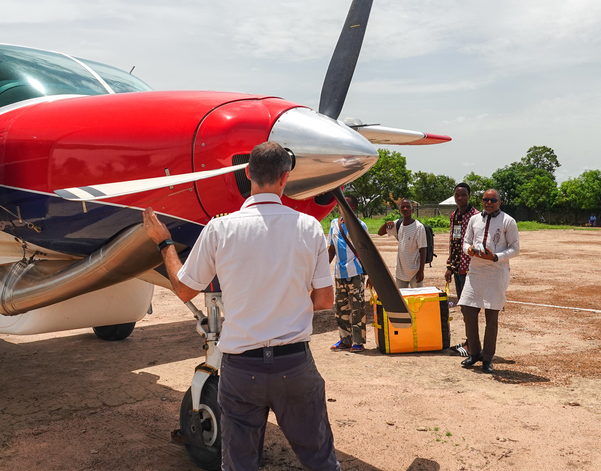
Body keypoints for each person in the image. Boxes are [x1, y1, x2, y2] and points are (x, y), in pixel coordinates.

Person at [142, 141, 340, 471]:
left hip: (241, 369)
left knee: (239, 463)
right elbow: (324, 300)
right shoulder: (310, 228)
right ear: (284, 178)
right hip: (295, 365)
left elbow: (183, 288)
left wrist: (163, 241)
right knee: (320, 459)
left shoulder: (220, 229)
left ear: (247, 173)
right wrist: (289, 306)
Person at [458, 188, 520, 374]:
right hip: (475, 271)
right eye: (486, 199)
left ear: (499, 202)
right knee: (468, 311)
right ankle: (474, 353)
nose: (489, 203)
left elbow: (515, 248)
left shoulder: (508, 221)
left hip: (496, 272)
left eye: (493, 200)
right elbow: (466, 241)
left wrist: (496, 257)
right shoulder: (474, 219)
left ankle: (487, 358)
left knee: (491, 318)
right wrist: (468, 250)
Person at [327, 194, 368, 352]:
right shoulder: (333, 224)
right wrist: (323, 268)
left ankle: (358, 342)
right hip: (339, 274)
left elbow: (366, 251)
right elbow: (331, 249)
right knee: (341, 308)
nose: (342, 207)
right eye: (340, 205)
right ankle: (345, 340)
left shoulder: (361, 226)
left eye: (346, 205)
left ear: (353, 208)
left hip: (356, 273)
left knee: (357, 308)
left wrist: (370, 274)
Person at [445, 183, 479, 356]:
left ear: (469, 196)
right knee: (464, 307)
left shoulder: (476, 216)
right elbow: (454, 241)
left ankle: (473, 345)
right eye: (457, 195)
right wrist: (450, 266)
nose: (460, 198)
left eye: (463, 195)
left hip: (471, 269)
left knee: (470, 308)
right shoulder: (454, 215)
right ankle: (469, 341)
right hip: (458, 269)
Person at [377, 198, 427, 288]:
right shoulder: (398, 224)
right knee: (402, 298)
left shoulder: (419, 227)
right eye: (403, 207)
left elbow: (423, 249)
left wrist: (421, 271)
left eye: (408, 207)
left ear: (412, 210)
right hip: (400, 273)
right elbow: (380, 233)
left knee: (416, 299)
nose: (405, 209)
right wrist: (386, 224)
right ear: (399, 210)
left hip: (415, 271)